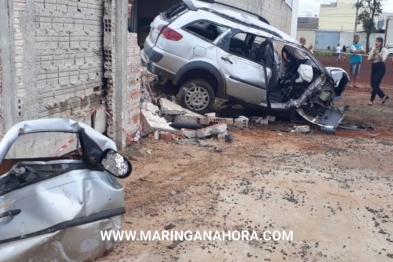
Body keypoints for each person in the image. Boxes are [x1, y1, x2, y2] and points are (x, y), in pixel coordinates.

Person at [367, 37, 389, 106]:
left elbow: (382, 59)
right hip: (374, 66)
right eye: (376, 41)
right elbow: (369, 59)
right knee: (372, 84)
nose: (377, 43)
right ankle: (383, 96)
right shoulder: (373, 49)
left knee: (376, 84)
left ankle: (371, 100)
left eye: (379, 42)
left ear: (381, 43)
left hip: (380, 67)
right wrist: (372, 57)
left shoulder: (384, 49)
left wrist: (377, 53)